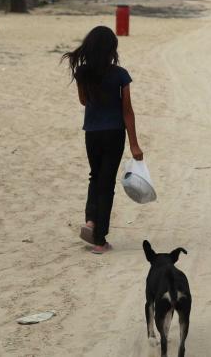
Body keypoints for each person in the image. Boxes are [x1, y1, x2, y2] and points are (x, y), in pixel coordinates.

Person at [63, 25, 144, 254]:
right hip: (114, 133)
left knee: (95, 176)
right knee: (106, 184)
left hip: (92, 133)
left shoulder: (82, 73)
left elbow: (83, 101)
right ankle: (100, 241)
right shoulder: (120, 75)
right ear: (111, 49)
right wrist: (135, 144)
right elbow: (128, 111)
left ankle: (91, 220)